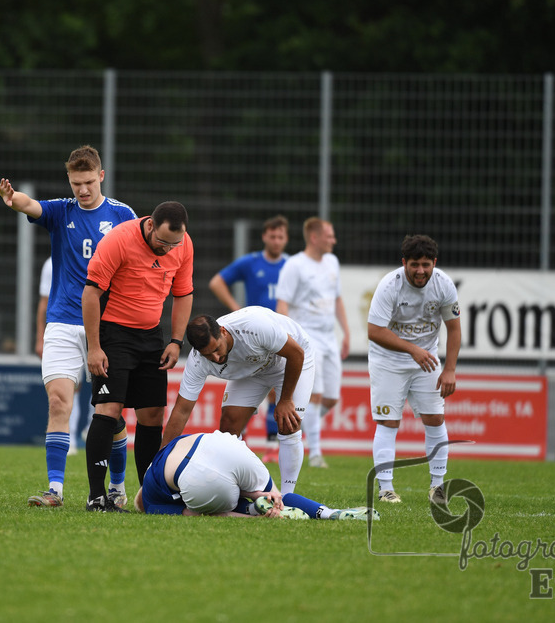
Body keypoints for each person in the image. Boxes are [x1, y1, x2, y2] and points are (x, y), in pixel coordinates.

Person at [0, 145, 136, 509]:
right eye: (76, 183)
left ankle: (118, 487)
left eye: (89, 182)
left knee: (111, 414)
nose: (83, 190)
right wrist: (13, 199)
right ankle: (55, 490)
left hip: (108, 328)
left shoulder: (123, 215)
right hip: (62, 322)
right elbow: (32, 205)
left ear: (101, 177)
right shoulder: (61, 211)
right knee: (58, 402)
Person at [82, 200, 194, 512]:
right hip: (113, 333)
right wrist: (94, 347)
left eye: (175, 243)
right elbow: (91, 293)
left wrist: (175, 341)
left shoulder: (182, 245)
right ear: (149, 226)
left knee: (153, 413)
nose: (168, 249)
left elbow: (183, 293)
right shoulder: (119, 239)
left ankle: (149, 496)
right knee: (109, 408)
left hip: (151, 336)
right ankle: (96, 497)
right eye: (162, 242)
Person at [161, 308, 312, 495]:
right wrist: (159, 462)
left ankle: (288, 496)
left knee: (288, 424)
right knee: (228, 430)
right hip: (253, 370)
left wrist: (286, 399)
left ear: (223, 332)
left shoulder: (254, 326)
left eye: (216, 349)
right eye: (208, 355)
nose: (215, 358)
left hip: (289, 359)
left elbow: (296, 353)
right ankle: (242, 492)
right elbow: (182, 411)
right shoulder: (198, 361)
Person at [367, 234, 460, 505]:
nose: (421, 271)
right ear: (404, 263)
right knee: (388, 422)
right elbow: (374, 331)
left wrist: (450, 369)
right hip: (388, 361)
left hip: (426, 360)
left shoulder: (444, 285)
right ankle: (386, 489)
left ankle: (438, 487)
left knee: (435, 419)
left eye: (426, 265)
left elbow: (454, 329)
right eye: (415, 264)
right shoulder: (389, 286)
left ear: (434, 263)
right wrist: (413, 349)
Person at [135, 430, 376, 521]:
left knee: (210, 508)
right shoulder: (158, 459)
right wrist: (256, 493)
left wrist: (255, 522)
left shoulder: (151, 503)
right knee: (274, 494)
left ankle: (254, 512)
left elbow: (191, 512)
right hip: (220, 443)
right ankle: (328, 513)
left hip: (194, 478)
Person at [208, 215, 290, 459]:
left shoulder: (293, 265)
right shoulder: (251, 262)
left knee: (276, 392)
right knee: (244, 389)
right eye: (272, 236)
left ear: (286, 239)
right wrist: (236, 308)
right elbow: (217, 282)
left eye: (281, 237)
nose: (276, 241)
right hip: (251, 338)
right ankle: (242, 443)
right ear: (265, 237)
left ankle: (272, 448)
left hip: (281, 335)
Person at [275, 218, 350, 469]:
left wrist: (346, 332)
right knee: (315, 395)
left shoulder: (332, 262)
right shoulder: (294, 265)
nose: (334, 240)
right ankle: (316, 453)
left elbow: (337, 298)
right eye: (329, 236)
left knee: (331, 398)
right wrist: (288, 339)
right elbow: (282, 303)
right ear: (315, 238)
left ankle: (296, 427)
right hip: (307, 338)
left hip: (329, 337)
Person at [35, 256, 91, 455]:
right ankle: (71, 438)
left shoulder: (104, 248)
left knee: (106, 387)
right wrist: (40, 338)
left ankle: (91, 428)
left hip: (100, 325)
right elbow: (44, 302)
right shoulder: (51, 263)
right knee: (70, 388)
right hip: (65, 327)